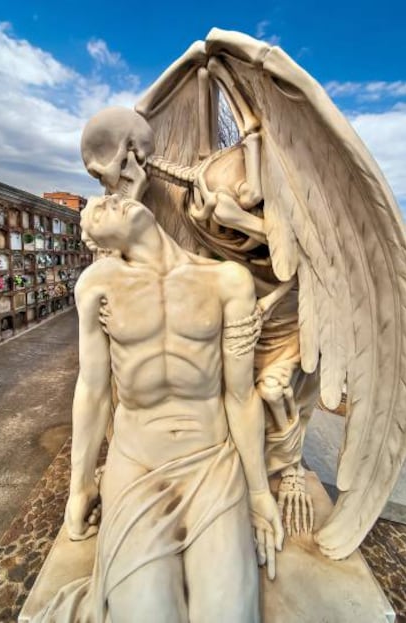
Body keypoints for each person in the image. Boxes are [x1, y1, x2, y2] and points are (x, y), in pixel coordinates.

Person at [56, 193, 283, 623]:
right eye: (97, 210)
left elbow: (240, 394)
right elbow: (93, 390)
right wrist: (80, 485)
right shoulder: (98, 284)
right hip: (137, 461)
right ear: (98, 240)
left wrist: (258, 492)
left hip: (211, 458)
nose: (110, 201)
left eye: (112, 197)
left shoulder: (227, 280)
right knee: (147, 613)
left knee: (228, 613)